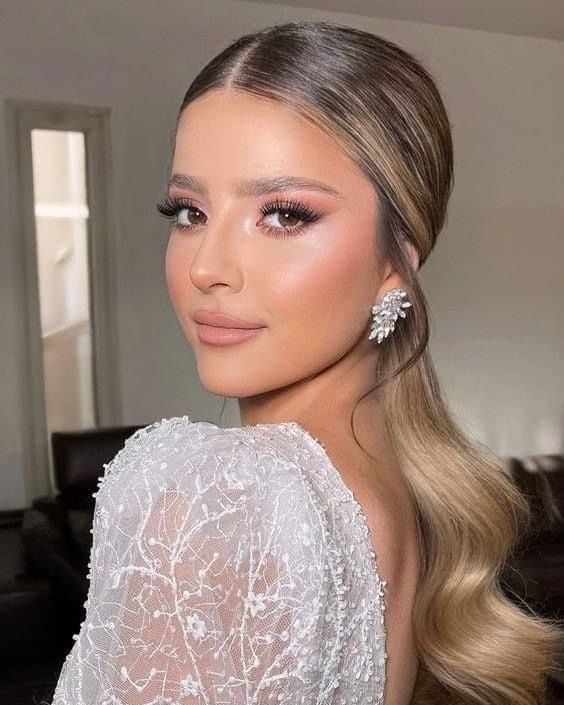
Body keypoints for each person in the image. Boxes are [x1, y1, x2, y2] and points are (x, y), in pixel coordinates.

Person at [50, 20, 562, 705]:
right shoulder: (399, 486)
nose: (206, 266)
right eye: (188, 211)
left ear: (396, 260)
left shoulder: (215, 501)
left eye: (284, 214)